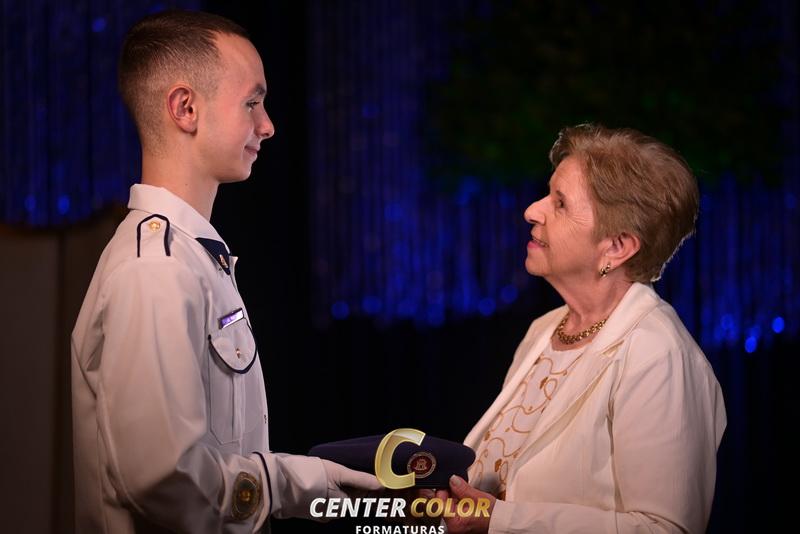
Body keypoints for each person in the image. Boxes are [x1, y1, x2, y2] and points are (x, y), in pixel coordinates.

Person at [71, 10, 379, 533]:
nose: (268, 125)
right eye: (252, 103)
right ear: (185, 108)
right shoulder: (156, 269)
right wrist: (301, 484)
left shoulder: (189, 256)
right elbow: (165, 481)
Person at [435, 124, 726, 533]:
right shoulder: (544, 330)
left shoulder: (658, 355)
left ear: (616, 247)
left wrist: (498, 520)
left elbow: (663, 528)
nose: (532, 210)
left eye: (560, 203)